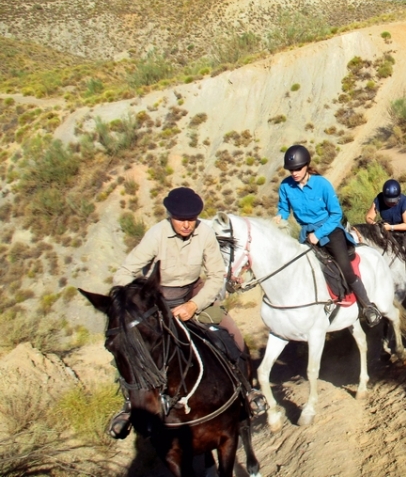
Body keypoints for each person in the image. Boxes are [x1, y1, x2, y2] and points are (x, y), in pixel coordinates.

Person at [108, 186, 266, 439]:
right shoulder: (155, 235)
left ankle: (246, 390)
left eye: (191, 219)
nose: (186, 225)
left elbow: (216, 275)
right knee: (129, 345)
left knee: (230, 332)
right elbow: (125, 273)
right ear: (170, 216)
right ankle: (129, 406)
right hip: (159, 300)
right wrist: (130, 301)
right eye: (181, 219)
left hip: (194, 294)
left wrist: (194, 305)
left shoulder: (204, 233)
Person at [275, 144, 382, 327]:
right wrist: (280, 217)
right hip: (306, 233)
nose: (294, 173)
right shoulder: (286, 186)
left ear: (307, 166)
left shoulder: (322, 184)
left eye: (298, 169)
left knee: (344, 267)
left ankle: (368, 306)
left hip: (330, 230)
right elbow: (284, 208)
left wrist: (318, 234)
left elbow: (336, 215)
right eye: (291, 170)